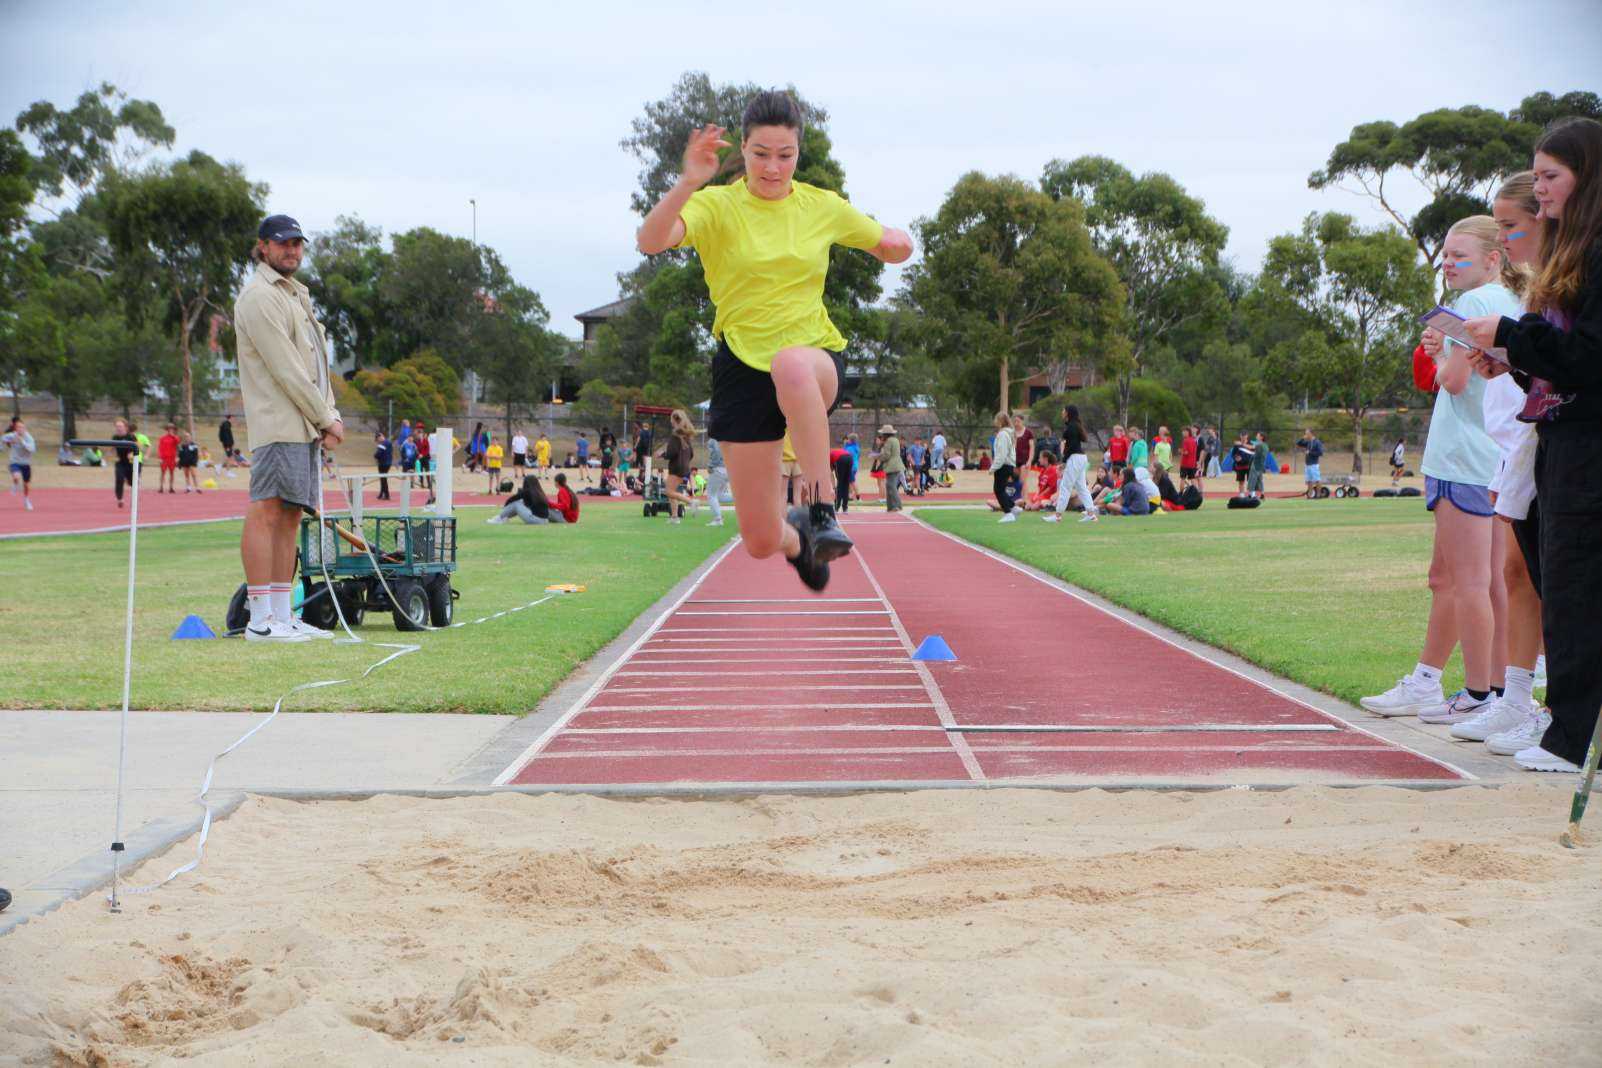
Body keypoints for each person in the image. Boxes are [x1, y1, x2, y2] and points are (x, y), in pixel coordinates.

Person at [634, 91, 912, 590]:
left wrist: (898, 243)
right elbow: (650, 241)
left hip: (813, 358)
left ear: (797, 155)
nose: (772, 167)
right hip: (742, 366)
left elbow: (886, 244)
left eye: (784, 155)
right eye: (761, 154)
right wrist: (688, 182)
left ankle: (823, 511)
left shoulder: (821, 206)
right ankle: (801, 543)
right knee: (759, 539)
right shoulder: (716, 207)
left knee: (791, 364)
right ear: (743, 150)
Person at [1462, 118, 1602, 772]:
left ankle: (1570, 740)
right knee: (1561, 584)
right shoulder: (1573, 258)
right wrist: (1513, 358)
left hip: (1586, 447)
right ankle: (1562, 729)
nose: (1541, 190)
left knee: (1572, 590)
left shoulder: (1593, 256)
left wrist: (1513, 334)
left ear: (1587, 176)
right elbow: (1561, 364)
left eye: (1552, 176)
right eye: (1537, 175)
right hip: (1560, 438)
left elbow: (1586, 356)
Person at [1363, 214, 1519, 724]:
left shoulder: (1471, 305)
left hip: (1461, 457)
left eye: (1461, 255)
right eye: (1446, 254)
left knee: (1464, 581)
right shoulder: (1509, 302)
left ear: (1493, 259)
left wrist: (1438, 346)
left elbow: (1451, 381)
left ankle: (1476, 694)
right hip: (1493, 457)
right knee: (1484, 581)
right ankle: (1464, 686)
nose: (1449, 263)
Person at [1451, 171, 1548, 750]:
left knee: (1541, 577)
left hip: (1538, 441)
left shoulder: (1559, 281)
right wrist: (1507, 359)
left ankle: (1546, 705)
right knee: (1516, 575)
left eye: (1511, 227)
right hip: (1514, 442)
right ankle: (1515, 699)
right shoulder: (1528, 287)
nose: (1505, 238)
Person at [233, 213, 342, 643]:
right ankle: (260, 619)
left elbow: (315, 365)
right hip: (278, 422)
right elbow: (287, 370)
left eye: (297, 243)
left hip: (302, 426)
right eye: (282, 243)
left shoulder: (295, 294)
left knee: (291, 515)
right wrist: (325, 416)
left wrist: (327, 415)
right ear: (262, 246)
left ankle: (282, 614)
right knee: (267, 510)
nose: (291, 250)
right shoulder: (260, 297)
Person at [1046, 404, 1097, 523]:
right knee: (1081, 487)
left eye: (1063, 410)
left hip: (1075, 458)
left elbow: (1072, 446)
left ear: (1068, 413)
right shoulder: (1074, 426)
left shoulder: (1071, 427)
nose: (1062, 412)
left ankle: (1057, 516)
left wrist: (1064, 461)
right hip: (1080, 458)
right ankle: (1091, 514)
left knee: (1065, 486)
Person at [661, 408, 697, 523]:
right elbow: (691, 454)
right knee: (672, 490)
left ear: (673, 420)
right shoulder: (686, 436)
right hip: (684, 467)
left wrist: (663, 454)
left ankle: (691, 502)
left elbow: (671, 453)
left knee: (668, 492)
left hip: (676, 467)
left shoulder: (675, 435)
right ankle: (674, 517)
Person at [487, 473, 556, 524]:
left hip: (536, 520)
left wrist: (505, 507)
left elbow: (511, 499)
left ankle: (500, 518)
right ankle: (504, 517)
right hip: (545, 520)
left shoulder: (527, 491)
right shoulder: (540, 492)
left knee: (516, 503)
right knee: (520, 503)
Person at [990, 411, 1018, 522]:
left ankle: (1008, 513)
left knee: (998, 490)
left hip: (1003, 465)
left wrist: (993, 467)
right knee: (1001, 489)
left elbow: (1001, 454)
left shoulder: (1002, 434)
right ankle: (1013, 507)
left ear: (1000, 421)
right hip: (1009, 465)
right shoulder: (1009, 434)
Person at [4, 416, 35, 511]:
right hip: (15, 461)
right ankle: (15, 484)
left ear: (25, 429)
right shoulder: (12, 435)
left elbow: (32, 449)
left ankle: (26, 500)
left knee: (26, 484)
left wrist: (22, 442)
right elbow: (3, 438)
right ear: (15, 429)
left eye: (22, 427)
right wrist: (8, 442)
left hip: (26, 463)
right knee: (16, 476)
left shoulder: (29, 438)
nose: (20, 429)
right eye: (18, 427)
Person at [877, 424, 905, 513]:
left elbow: (886, 455)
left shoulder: (888, 441)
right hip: (897, 465)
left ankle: (897, 505)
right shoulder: (895, 440)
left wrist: (877, 457)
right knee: (889, 486)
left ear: (885, 434)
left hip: (892, 466)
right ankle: (890, 507)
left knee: (891, 486)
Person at [110, 418, 137, 508]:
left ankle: (134, 498)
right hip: (120, 462)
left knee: (132, 482)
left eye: (120, 426)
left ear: (125, 427)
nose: (118, 428)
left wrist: (132, 454)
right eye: (117, 426)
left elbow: (138, 447)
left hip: (130, 462)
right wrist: (113, 455)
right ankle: (120, 499)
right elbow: (112, 449)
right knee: (119, 479)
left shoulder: (131, 436)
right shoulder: (115, 437)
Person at [706, 437, 730, 527]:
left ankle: (718, 519)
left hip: (718, 469)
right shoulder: (727, 437)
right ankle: (743, 498)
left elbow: (716, 452)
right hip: (728, 468)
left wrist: (711, 465)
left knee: (711, 495)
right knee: (720, 496)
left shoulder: (715, 438)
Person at [1296, 429, 1324, 496]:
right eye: (1305, 434)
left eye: (1307, 434)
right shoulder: (1308, 442)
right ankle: (1310, 495)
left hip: (1314, 464)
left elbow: (1320, 453)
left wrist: (1310, 453)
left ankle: (1318, 495)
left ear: (1311, 434)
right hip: (1307, 464)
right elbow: (1298, 443)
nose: (1306, 435)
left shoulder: (1317, 442)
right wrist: (1302, 438)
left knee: (1317, 479)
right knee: (1309, 480)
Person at [154, 423, 179, 493]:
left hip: (172, 458)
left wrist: (173, 436)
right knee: (162, 473)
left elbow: (177, 442)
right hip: (164, 458)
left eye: (172, 429)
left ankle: (171, 487)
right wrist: (160, 458)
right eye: (169, 429)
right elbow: (160, 448)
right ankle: (161, 487)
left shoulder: (175, 437)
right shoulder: (162, 438)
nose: (170, 430)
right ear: (167, 430)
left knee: (172, 473)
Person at [830, 440, 853, 514]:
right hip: (850, 458)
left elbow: (830, 469)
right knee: (846, 484)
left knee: (840, 484)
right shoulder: (843, 450)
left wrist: (833, 485)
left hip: (841, 459)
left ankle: (836, 507)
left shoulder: (831, 453)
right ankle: (845, 508)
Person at [1247, 431, 1268, 498]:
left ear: (1261, 437)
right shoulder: (1265, 445)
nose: (1256, 436)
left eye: (1258, 435)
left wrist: (1241, 444)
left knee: (1252, 479)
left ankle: (1252, 495)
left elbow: (1251, 447)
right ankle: (1262, 494)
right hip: (1261, 465)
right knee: (1259, 480)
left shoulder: (1259, 445)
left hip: (1256, 464)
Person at [373, 431, 393, 500]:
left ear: (380, 437)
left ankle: (386, 495)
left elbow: (378, 454)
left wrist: (375, 456)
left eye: (377, 439)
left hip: (383, 463)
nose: (377, 441)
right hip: (387, 463)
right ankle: (382, 494)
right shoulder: (388, 442)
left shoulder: (383, 444)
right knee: (383, 479)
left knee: (383, 479)